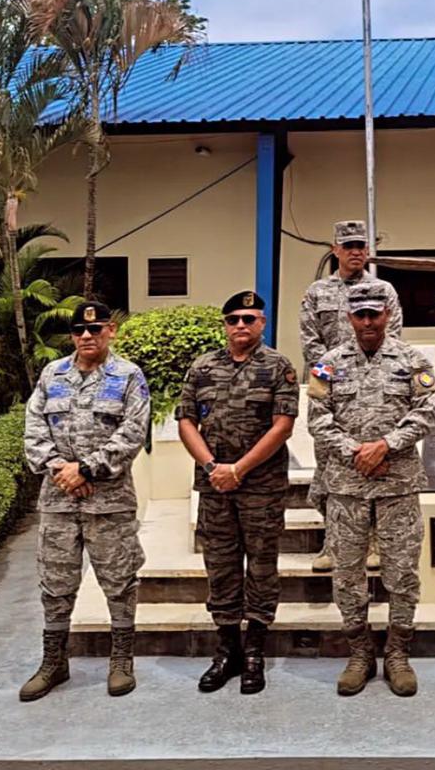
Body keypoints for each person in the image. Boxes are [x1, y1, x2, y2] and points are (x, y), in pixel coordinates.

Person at [310, 281, 435, 697]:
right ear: (349, 317)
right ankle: (360, 653)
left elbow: (427, 412)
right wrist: (355, 452)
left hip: (397, 484)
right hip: (346, 488)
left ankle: (398, 653)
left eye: (374, 314)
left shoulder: (412, 359)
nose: (367, 321)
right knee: (347, 575)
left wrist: (385, 446)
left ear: (387, 316)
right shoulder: (328, 365)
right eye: (360, 314)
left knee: (402, 573)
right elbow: (317, 419)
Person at [21, 300, 150, 701]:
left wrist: (87, 469)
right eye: (79, 330)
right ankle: (55, 662)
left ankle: (121, 660)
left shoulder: (129, 376)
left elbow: (133, 431)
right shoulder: (52, 374)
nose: (87, 337)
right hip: (59, 501)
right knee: (56, 584)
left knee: (119, 582)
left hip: (109, 502)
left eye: (95, 330)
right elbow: (33, 429)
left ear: (111, 330)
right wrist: (63, 470)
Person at [177, 291, 298, 694]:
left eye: (249, 318)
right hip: (215, 487)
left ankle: (254, 653)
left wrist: (239, 469)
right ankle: (227, 650)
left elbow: (282, 426)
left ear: (262, 323)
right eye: (233, 319)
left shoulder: (279, 367)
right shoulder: (203, 367)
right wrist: (214, 468)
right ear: (225, 325)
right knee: (222, 566)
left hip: (261, 487)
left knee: (261, 566)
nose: (241, 326)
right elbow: (186, 422)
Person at [299, 219, 402, 573]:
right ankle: (333, 542)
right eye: (349, 246)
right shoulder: (316, 293)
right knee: (331, 470)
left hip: (377, 395)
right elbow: (311, 343)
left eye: (361, 245)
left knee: (374, 467)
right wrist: (334, 384)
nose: (356, 251)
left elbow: (394, 339)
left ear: (368, 250)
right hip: (334, 397)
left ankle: (373, 540)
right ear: (335, 249)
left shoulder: (384, 290)